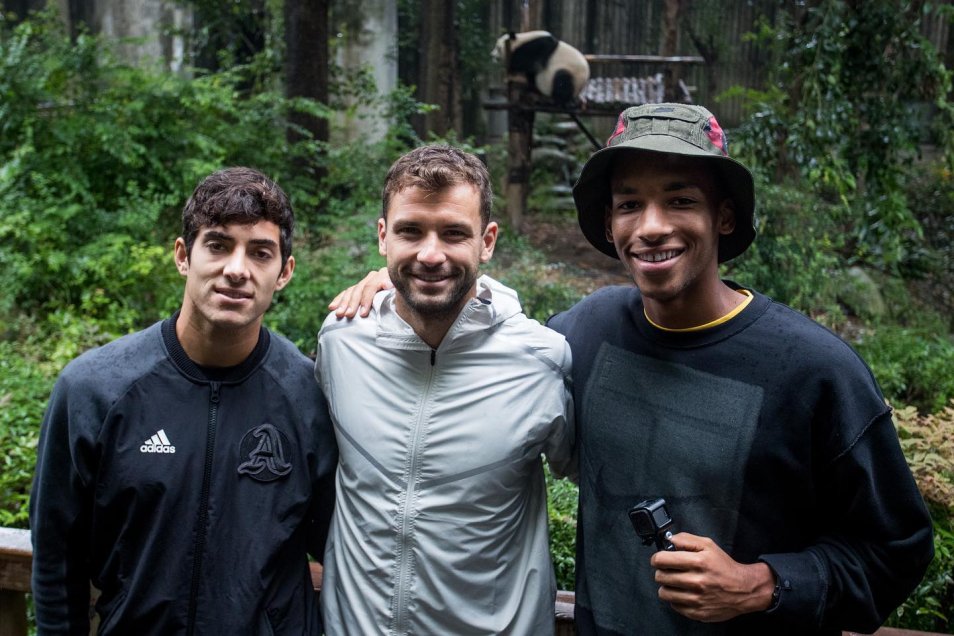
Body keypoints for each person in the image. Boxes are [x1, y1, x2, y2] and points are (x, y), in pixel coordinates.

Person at [330, 104, 934, 635]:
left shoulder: (813, 370)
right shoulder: (586, 334)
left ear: (724, 217)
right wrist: (403, 284)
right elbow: (484, 344)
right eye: (629, 205)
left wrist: (763, 584)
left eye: (680, 200)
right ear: (611, 223)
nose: (651, 226)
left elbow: (898, 552)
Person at [29, 167, 338, 635]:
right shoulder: (95, 390)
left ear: (284, 273)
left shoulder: (310, 396)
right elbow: (56, 561)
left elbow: (344, 548)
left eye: (260, 252)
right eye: (218, 245)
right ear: (182, 256)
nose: (237, 269)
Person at [314, 144, 575, 635]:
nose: (430, 255)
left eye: (454, 233)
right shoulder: (341, 340)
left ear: (488, 240)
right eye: (411, 231)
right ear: (382, 236)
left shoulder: (542, 361)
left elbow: (597, 476)